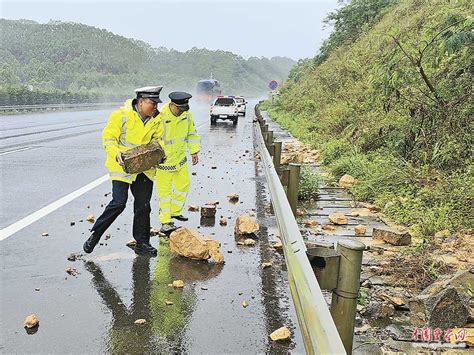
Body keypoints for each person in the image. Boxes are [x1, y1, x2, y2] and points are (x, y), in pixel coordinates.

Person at [83, 86, 164, 257]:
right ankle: (95, 235)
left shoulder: (157, 119)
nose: (155, 107)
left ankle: (142, 243)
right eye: (152, 103)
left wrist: (160, 154)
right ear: (140, 102)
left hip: (144, 169)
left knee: (143, 206)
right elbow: (109, 138)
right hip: (122, 167)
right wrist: (116, 153)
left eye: (157, 103)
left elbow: (159, 141)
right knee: (118, 203)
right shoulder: (120, 115)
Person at [156, 91, 201, 234]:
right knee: (165, 193)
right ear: (172, 105)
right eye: (179, 109)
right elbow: (152, 139)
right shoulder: (160, 116)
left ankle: (175, 211)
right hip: (164, 162)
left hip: (180, 160)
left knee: (184, 185)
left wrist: (194, 151)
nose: (182, 112)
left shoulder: (186, 115)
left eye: (184, 109)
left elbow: (192, 133)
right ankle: (165, 221)